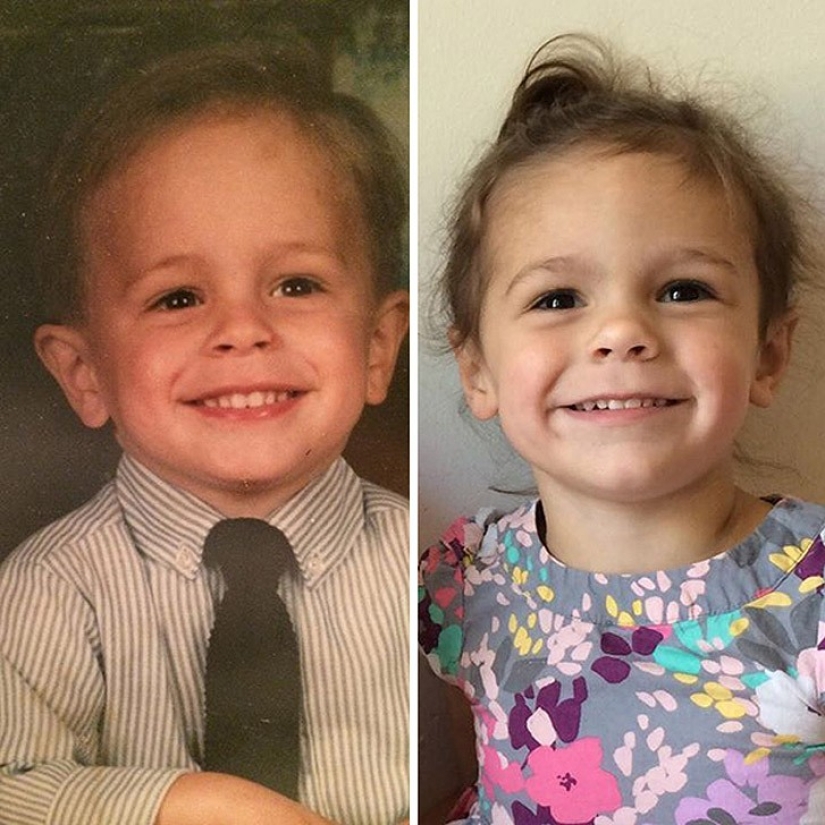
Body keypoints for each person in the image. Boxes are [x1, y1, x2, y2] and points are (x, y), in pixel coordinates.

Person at [419, 33, 825, 824]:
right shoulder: (459, 581)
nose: (621, 332)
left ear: (768, 354)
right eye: (557, 299)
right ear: (477, 371)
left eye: (681, 289)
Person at [0, 44, 410, 825]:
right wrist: (187, 804)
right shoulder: (47, 593)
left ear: (376, 347)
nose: (243, 328)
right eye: (178, 297)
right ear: (84, 372)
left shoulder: (422, 573)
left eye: (296, 284)